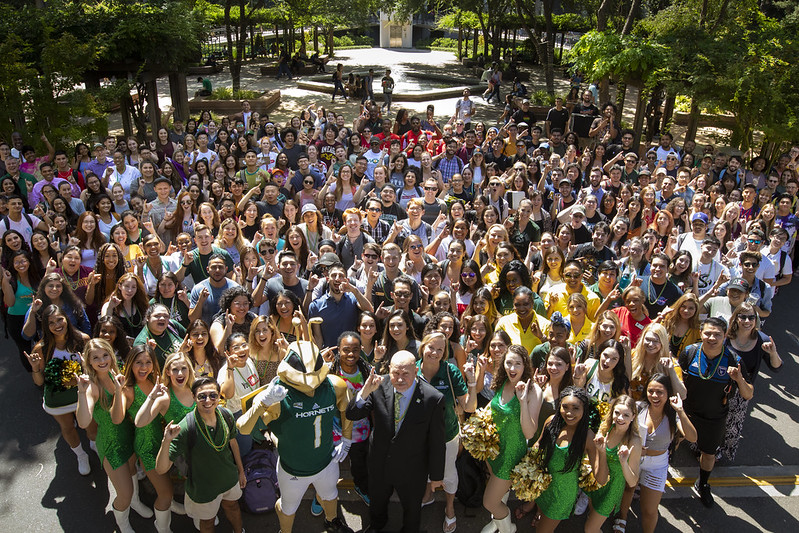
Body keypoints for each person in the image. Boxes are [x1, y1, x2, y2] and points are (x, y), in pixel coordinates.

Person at [237, 338, 355, 533]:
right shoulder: (277, 396)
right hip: (293, 470)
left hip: (326, 461)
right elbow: (243, 428)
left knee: (330, 495)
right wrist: (261, 404)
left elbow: (347, 408)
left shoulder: (334, 385)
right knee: (288, 508)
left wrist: (346, 438)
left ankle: (332, 521)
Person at [346, 351, 446, 533]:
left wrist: (436, 476)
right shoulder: (378, 385)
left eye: (405, 374)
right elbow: (352, 414)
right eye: (395, 374)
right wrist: (365, 391)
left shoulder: (433, 398)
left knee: (412, 508)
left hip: (412, 467)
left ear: (416, 371)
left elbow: (437, 441)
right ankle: (377, 525)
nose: (400, 379)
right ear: (389, 370)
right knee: (377, 501)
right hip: (380, 462)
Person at [76, 339, 153, 533]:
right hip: (111, 445)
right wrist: (81, 393)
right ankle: (122, 519)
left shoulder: (119, 375)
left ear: (111, 355)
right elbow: (84, 422)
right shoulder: (92, 387)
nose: (102, 360)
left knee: (133, 472)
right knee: (124, 493)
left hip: (129, 435)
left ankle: (135, 503)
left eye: (105, 355)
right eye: (96, 357)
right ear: (89, 362)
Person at [678, 317, 754, 508]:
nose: (711, 338)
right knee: (673, 443)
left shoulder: (734, 360)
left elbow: (748, 394)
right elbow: (677, 380)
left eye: (717, 334)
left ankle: (703, 483)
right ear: (701, 333)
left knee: (709, 454)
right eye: (708, 333)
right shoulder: (689, 352)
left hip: (714, 417)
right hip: (686, 413)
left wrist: (739, 379)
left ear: (725, 335)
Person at [155, 377, 246, 533]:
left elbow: (233, 443)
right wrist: (166, 441)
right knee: (207, 521)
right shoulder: (185, 427)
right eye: (202, 396)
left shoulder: (226, 416)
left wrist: (241, 471)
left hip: (229, 479)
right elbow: (161, 469)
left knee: (233, 507)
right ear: (193, 397)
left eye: (213, 395)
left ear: (219, 396)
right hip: (203, 488)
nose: (208, 400)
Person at [417, 332, 479, 533]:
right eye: (431, 347)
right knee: (425, 467)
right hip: (421, 437)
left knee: (448, 473)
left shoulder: (450, 371)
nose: (434, 353)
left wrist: (471, 381)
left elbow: (469, 407)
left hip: (447, 435)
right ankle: (428, 495)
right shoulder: (412, 369)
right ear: (422, 347)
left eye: (440, 349)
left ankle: (450, 508)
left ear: (444, 353)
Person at [481, 345, 543, 533]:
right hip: (494, 450)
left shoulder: (533, 391)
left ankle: (508, 529)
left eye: (518, 363)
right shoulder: (503, 381)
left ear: (526, 365)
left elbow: (529, 433)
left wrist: (522, 401)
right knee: (500, 495)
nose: (513, 368)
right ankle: (498, 522)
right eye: (509, 363)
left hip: (511, 455)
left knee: (489, 502)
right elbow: (491, 407)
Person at [122, 344, 182, 532]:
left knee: (167, 481)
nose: (143, 367)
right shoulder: (128, 389)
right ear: (130, 364)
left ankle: (169, 503)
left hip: (163, 440)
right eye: (138, 362)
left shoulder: (156, 382)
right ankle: (162, 526)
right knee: (165, 492)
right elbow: (120, 417)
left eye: (148, 362)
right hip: (146, 445)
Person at [25, 305, 91, 475]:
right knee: (68, 427)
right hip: (58, 399)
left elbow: (94, 369)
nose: (57, 325)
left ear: (66, 319)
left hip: (81, 394)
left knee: (90, 423)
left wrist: (86, 368)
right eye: (51, 322)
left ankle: (94, 445)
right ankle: (80, 455)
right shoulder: (41, 349)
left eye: (60, 319)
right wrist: (35, 368)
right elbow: (39, 382)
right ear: (46, 326)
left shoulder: (83, 340)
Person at [533, 386, 608, 533]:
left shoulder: (587, 436)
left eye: (575, 408)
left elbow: (601, 479)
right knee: (543, 522)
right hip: (542, 486)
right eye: (565, 407)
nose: (569, 413)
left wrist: (602, 452)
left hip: (561, 495)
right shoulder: (551, 421)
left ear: (584, 410)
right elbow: (538, 444)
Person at [584, 395, 642, 533]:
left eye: (626, 415)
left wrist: (623, 462)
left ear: (633, 416)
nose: (620, 418)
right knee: (593, 520)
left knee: (589, 529)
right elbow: (597, 456)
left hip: (612, 489)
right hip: (597, 481)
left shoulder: (635, 442)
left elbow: (633, 481)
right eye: (617, 413)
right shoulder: (605, 428)